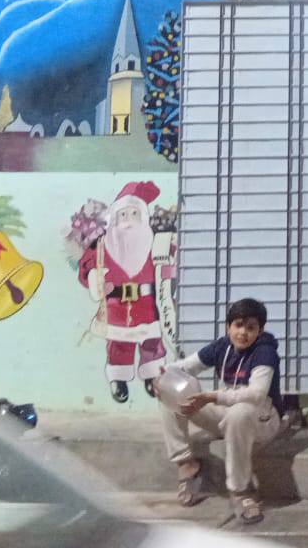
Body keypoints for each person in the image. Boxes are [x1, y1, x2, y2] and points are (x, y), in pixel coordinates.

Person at [156, 297, 282, 525]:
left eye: (251, 327)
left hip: (263, 420)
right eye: (238, 325)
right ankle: (186, 465)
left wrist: (211, 397)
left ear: (260, 331)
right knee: (168, 392)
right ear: (228, 326)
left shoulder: (265, 352)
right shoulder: (222, 347)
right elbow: (184, 367)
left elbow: (256, 395)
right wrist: (160, 376)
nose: (243, 333)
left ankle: (240, 491)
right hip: (228, 415)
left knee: (240, 413)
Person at [79, 181, 169, 403]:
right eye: (123, 215)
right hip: (116, 306)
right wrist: (94, 279)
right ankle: (118, 378)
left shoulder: (154, 243)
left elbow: (169, 263)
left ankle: (152, 374)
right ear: (115, 218)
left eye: (134, 214)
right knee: (119, 344)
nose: (128, 221)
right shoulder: (102, 246)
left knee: (151, 341)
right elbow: (87, 268)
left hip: (147, 304)